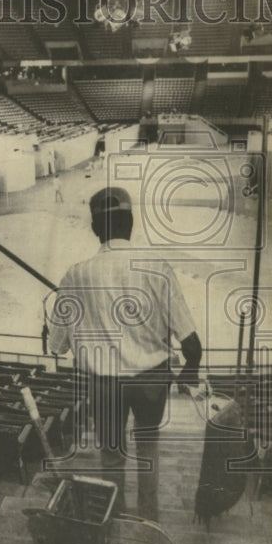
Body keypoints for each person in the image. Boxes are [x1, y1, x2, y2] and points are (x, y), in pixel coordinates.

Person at [47, 186, 202, 521]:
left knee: (112, 454)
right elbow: (191, 342)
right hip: (150, 381)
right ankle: (149, 519)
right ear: (130, 222)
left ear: (95, 228)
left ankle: (113, 519)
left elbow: (57, 346)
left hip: (103, 385)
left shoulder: (75, 274)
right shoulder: (157, 268)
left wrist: (56, 327)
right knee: (148, 450)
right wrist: (190, 370)